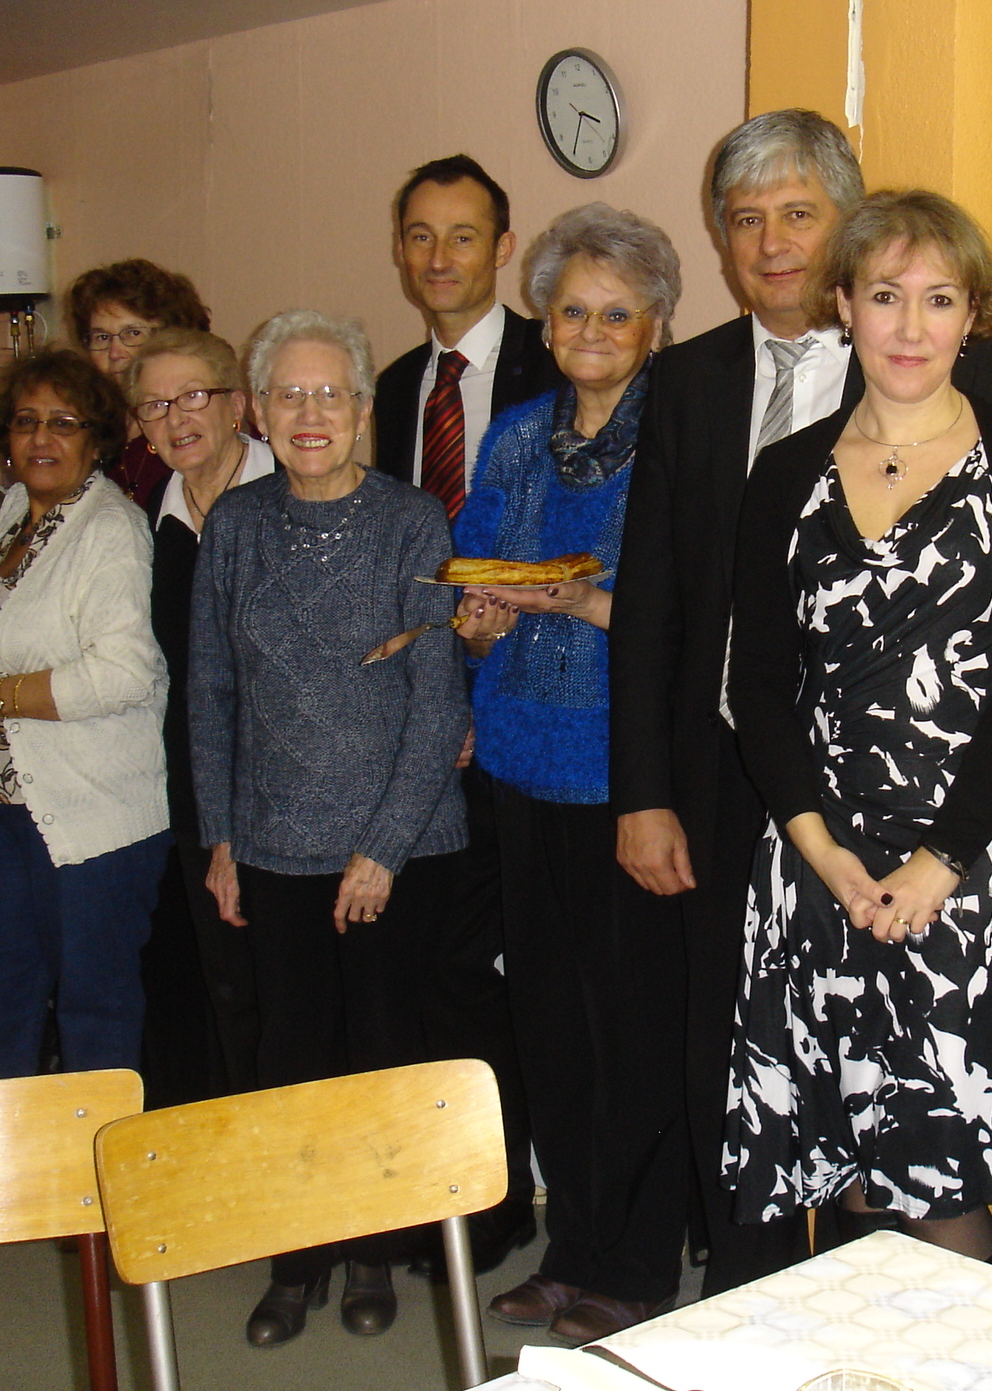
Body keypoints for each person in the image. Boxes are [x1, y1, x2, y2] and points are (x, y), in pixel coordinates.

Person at [610, 108, 992, 1292]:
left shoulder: (934, 356)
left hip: (897, 801)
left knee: (894, 1093)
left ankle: (881, 1331)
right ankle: (749, 1315)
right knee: (737, 1067)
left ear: (845, 229)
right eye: (745, 220)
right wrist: (642, 791)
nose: (773, 241)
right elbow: (651, 604)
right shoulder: (684, 380)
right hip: (722, 775)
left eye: (799, 213)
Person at [726, 189, 992, 1266]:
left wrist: (942, 860)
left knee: (939, 1175)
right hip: (814, 864)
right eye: (884, 296)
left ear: (972, 316)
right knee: (840, 1167)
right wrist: (821, 853)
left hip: (962, 874)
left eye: (938, 299)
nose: (910, 326)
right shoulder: (784, 474)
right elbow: (762, 685)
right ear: (843, 304)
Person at [190, 309, 469, 1349]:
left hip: (394, 846)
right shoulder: (237, 524)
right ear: (260, 413)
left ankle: (370, 1253)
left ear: (363, 409)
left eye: (331, 395)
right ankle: (294, 1259)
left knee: (381, 1052)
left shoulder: (411, 524)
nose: (311, 414)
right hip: (269, 844)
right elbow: (211, 690)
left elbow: (439, 704)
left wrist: (379, 851)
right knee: (288, 1057)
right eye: (289, 395)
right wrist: (219, 832)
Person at [453, 204, 685, 1345]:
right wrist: (484, 617)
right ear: (544, 323)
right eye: (571, 310)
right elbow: (474, 589)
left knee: (634, 1027)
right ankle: (573, 1245)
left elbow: (691, 617)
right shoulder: (512, 437)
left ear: (653, 326)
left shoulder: (677, 439)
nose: (590, 329)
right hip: (518, 767)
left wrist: (581, 600)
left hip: (625, 775)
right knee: (548, 1024)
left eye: (615, 312)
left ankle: (637, 1262)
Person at [371, 153, 560, 1273]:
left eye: (462, 235)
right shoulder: (396, 385)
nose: (439, 257)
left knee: (527, 971)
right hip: (426, 725)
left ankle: (538, 1201)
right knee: (440, 968)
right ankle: (467, 1215)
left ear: (502, 247)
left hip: (533, 718)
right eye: (418, 235)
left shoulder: (564, 355)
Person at [0, 349, 171, 1082]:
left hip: (88, 821)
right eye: (27, 421)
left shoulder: (110, 529)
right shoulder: (12, 514)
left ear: (97, 440)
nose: (41, 438)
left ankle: (95, 1182)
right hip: (0, 811)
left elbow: (125, 671)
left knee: (93, 1017)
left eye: (63, 423)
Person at [125, 328, 272, 1105]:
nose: (176, 418)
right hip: (195, 788)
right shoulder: (145, 519)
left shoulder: (302, 490)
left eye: (194, 396)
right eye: (154, 405)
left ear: (239, 403)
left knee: (294, 995)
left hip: (301, 790)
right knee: (226, 992)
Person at [64, 258, 213, 503]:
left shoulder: (198, 424)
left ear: (172, 338)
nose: (115, 352)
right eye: (101, 337)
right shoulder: (87, 426)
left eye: (132, 333)